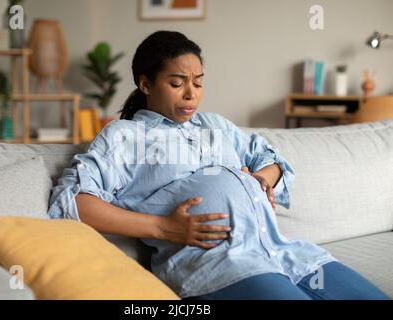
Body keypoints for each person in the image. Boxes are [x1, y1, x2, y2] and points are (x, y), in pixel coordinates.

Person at [47, 31, 390, 300]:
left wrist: (260, 180)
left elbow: (271, 160)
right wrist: (163, 227)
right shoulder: (125, 136)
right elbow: (74, 202)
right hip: (217, 267)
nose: (191, 94)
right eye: (177, 83)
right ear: (146, 84)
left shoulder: (215, 126)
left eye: (198, 82)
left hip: (288, 253)